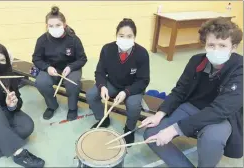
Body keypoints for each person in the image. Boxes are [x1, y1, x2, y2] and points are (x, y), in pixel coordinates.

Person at [143, 17, 243, 167]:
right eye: (211, 45)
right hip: (192, 107)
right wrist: (160, 114)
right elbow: (180, 90)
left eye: (222, 45)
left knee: (212, 139)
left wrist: (175, 129)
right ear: (205, 45)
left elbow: (221, 109)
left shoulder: (240, 69)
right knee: (151, 134)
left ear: (233, 47)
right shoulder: (196, 61)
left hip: (221, 117)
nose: (216, 50)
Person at [86, 18, 150, 144]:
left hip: (133, 87)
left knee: (133, 106)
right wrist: (102, 86)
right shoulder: (107, 49)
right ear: (116, 36)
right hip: (113, 83)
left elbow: (143, 80)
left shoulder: (142, 53)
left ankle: (129, 129)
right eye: (121, 35)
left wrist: (126, 92)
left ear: (134, 37)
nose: (125, 39)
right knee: (91, 95)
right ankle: (103, 119)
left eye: (129, 36)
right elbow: (100, 72)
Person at [33, 6, 87, 121]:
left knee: (72, 84)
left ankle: (72, 108)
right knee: (41, 82)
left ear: (64, 24)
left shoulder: (73, 39)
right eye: (51, 26)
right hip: (52, 69)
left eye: (58, 25)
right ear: (46, 26)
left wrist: (71, 67)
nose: (54, 28)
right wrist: (47, 68)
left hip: (71, 68)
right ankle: (52, 105)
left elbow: (82, 59)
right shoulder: (42, 40)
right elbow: (36, 59)